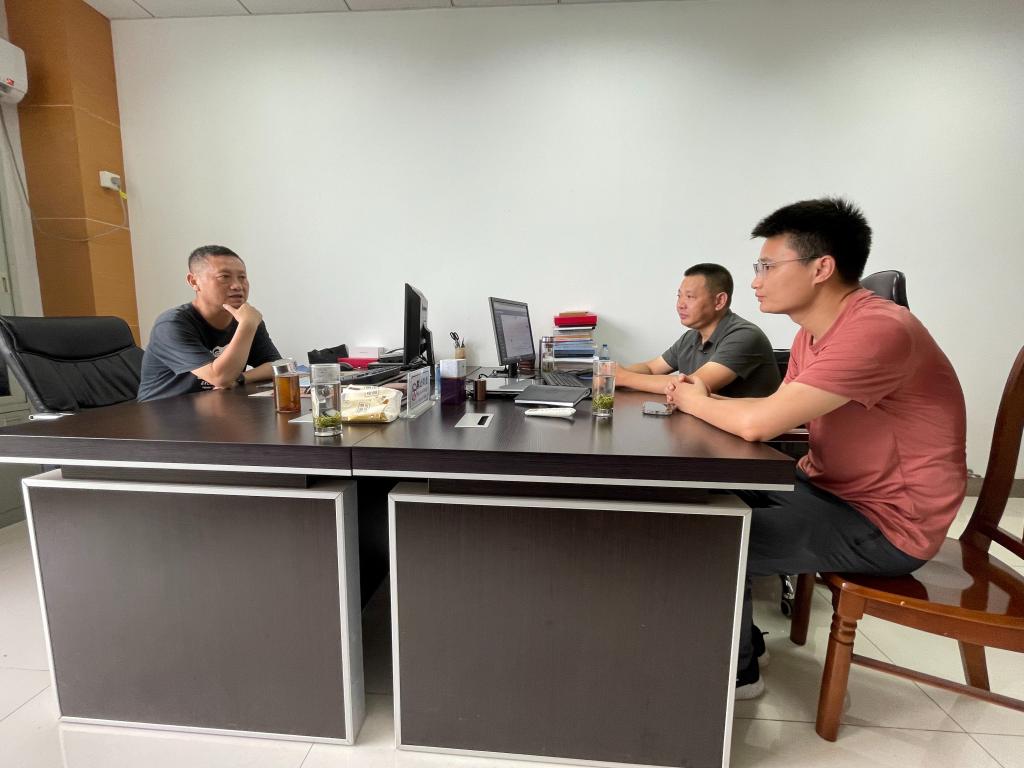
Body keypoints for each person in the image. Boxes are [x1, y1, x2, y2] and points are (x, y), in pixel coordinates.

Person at [665, 198, 966, 699]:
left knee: (707, 539)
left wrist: (692, 398)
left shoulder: (878, 330)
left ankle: (739, 674)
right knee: (701, 498)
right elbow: (776, 409)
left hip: (887, 523)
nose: (755, 281)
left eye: (767, 266)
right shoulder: (813, 333)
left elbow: (760, 423)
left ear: (821, 267)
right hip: (828, 488)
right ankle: (742, 641)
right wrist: (706, 400)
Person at [137, 245, 280, 402]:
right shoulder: (171, 324)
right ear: (194, 281)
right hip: (163, 411)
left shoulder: (245, 319)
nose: (237, 286)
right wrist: (247, 325)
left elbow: (278, 366)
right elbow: (220, 378)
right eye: (224, 277)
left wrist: (240, 378)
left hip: (215, 405)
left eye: (242, 277)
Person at [615, 263, 780, 397]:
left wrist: (623, 377)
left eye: (690, 297)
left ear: (719, 301)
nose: (680, 304)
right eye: (679, 296)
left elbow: (691, 387)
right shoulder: (691, 337)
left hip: (743, 429)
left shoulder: (744, 336)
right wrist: (611, 374)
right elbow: (651, 368)